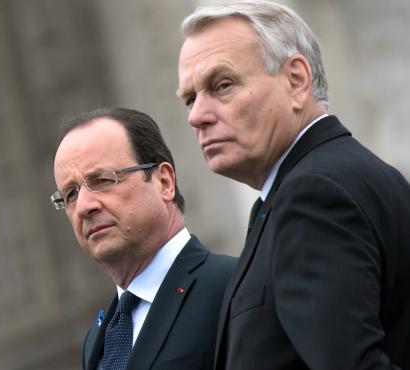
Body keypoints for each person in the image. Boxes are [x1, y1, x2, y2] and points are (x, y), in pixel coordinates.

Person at [176, 1, 410, 370]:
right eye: (190, 98)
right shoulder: (334, 178)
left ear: (296, 80)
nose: (196, 116)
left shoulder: (313, 196)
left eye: (221, 85)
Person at [51, 107, 236, 370]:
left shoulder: (232, 285)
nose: (83, 206)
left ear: (164, 182)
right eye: (70, 194)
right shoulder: (98, 340)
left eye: (102, 180)